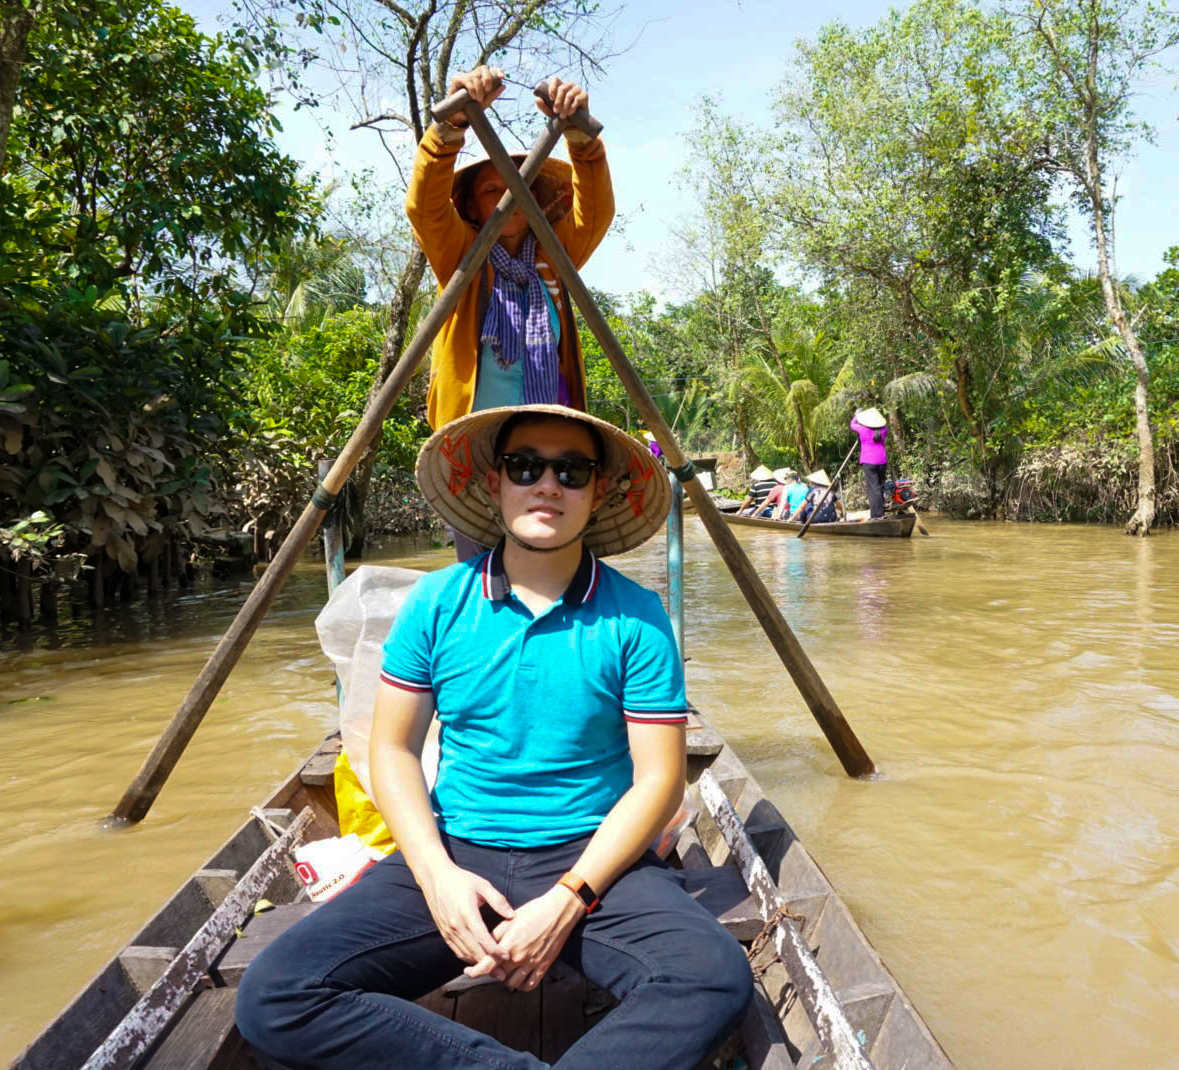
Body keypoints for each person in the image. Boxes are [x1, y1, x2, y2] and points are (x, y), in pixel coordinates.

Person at [235, 404, 754, 1070]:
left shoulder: (636, 617)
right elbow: (389, 750)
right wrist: (437, 877)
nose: (547, 484)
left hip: (594, 861)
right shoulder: (436, 602)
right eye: (525, 466)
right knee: (276, 997)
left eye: (571, 470)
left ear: (597, 493)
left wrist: (569, 898)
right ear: (494, 484)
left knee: (709, 978)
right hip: (456, 849)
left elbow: (657, 781)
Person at [406, 65, 615, 560]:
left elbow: (596, 213)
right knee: (483, 564)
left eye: (517, 188)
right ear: (473, 208)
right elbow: (425, 209)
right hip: (475, 444)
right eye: (490, 191)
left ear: (534, 198)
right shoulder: (461, 255)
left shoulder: (555, 255)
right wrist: (450, 127)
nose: (506, 199)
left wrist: (583, 140)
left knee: (550, 557)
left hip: (550, 442)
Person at [851, 407, 888, 520]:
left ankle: (877, 515)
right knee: (880, 486)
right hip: (882, 460)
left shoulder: (863, 430)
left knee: (873, 488)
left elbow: (852, 424)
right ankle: (881, 511)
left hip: (869, 461)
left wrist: (858, 415)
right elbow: (883, 425)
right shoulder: (884, 430)